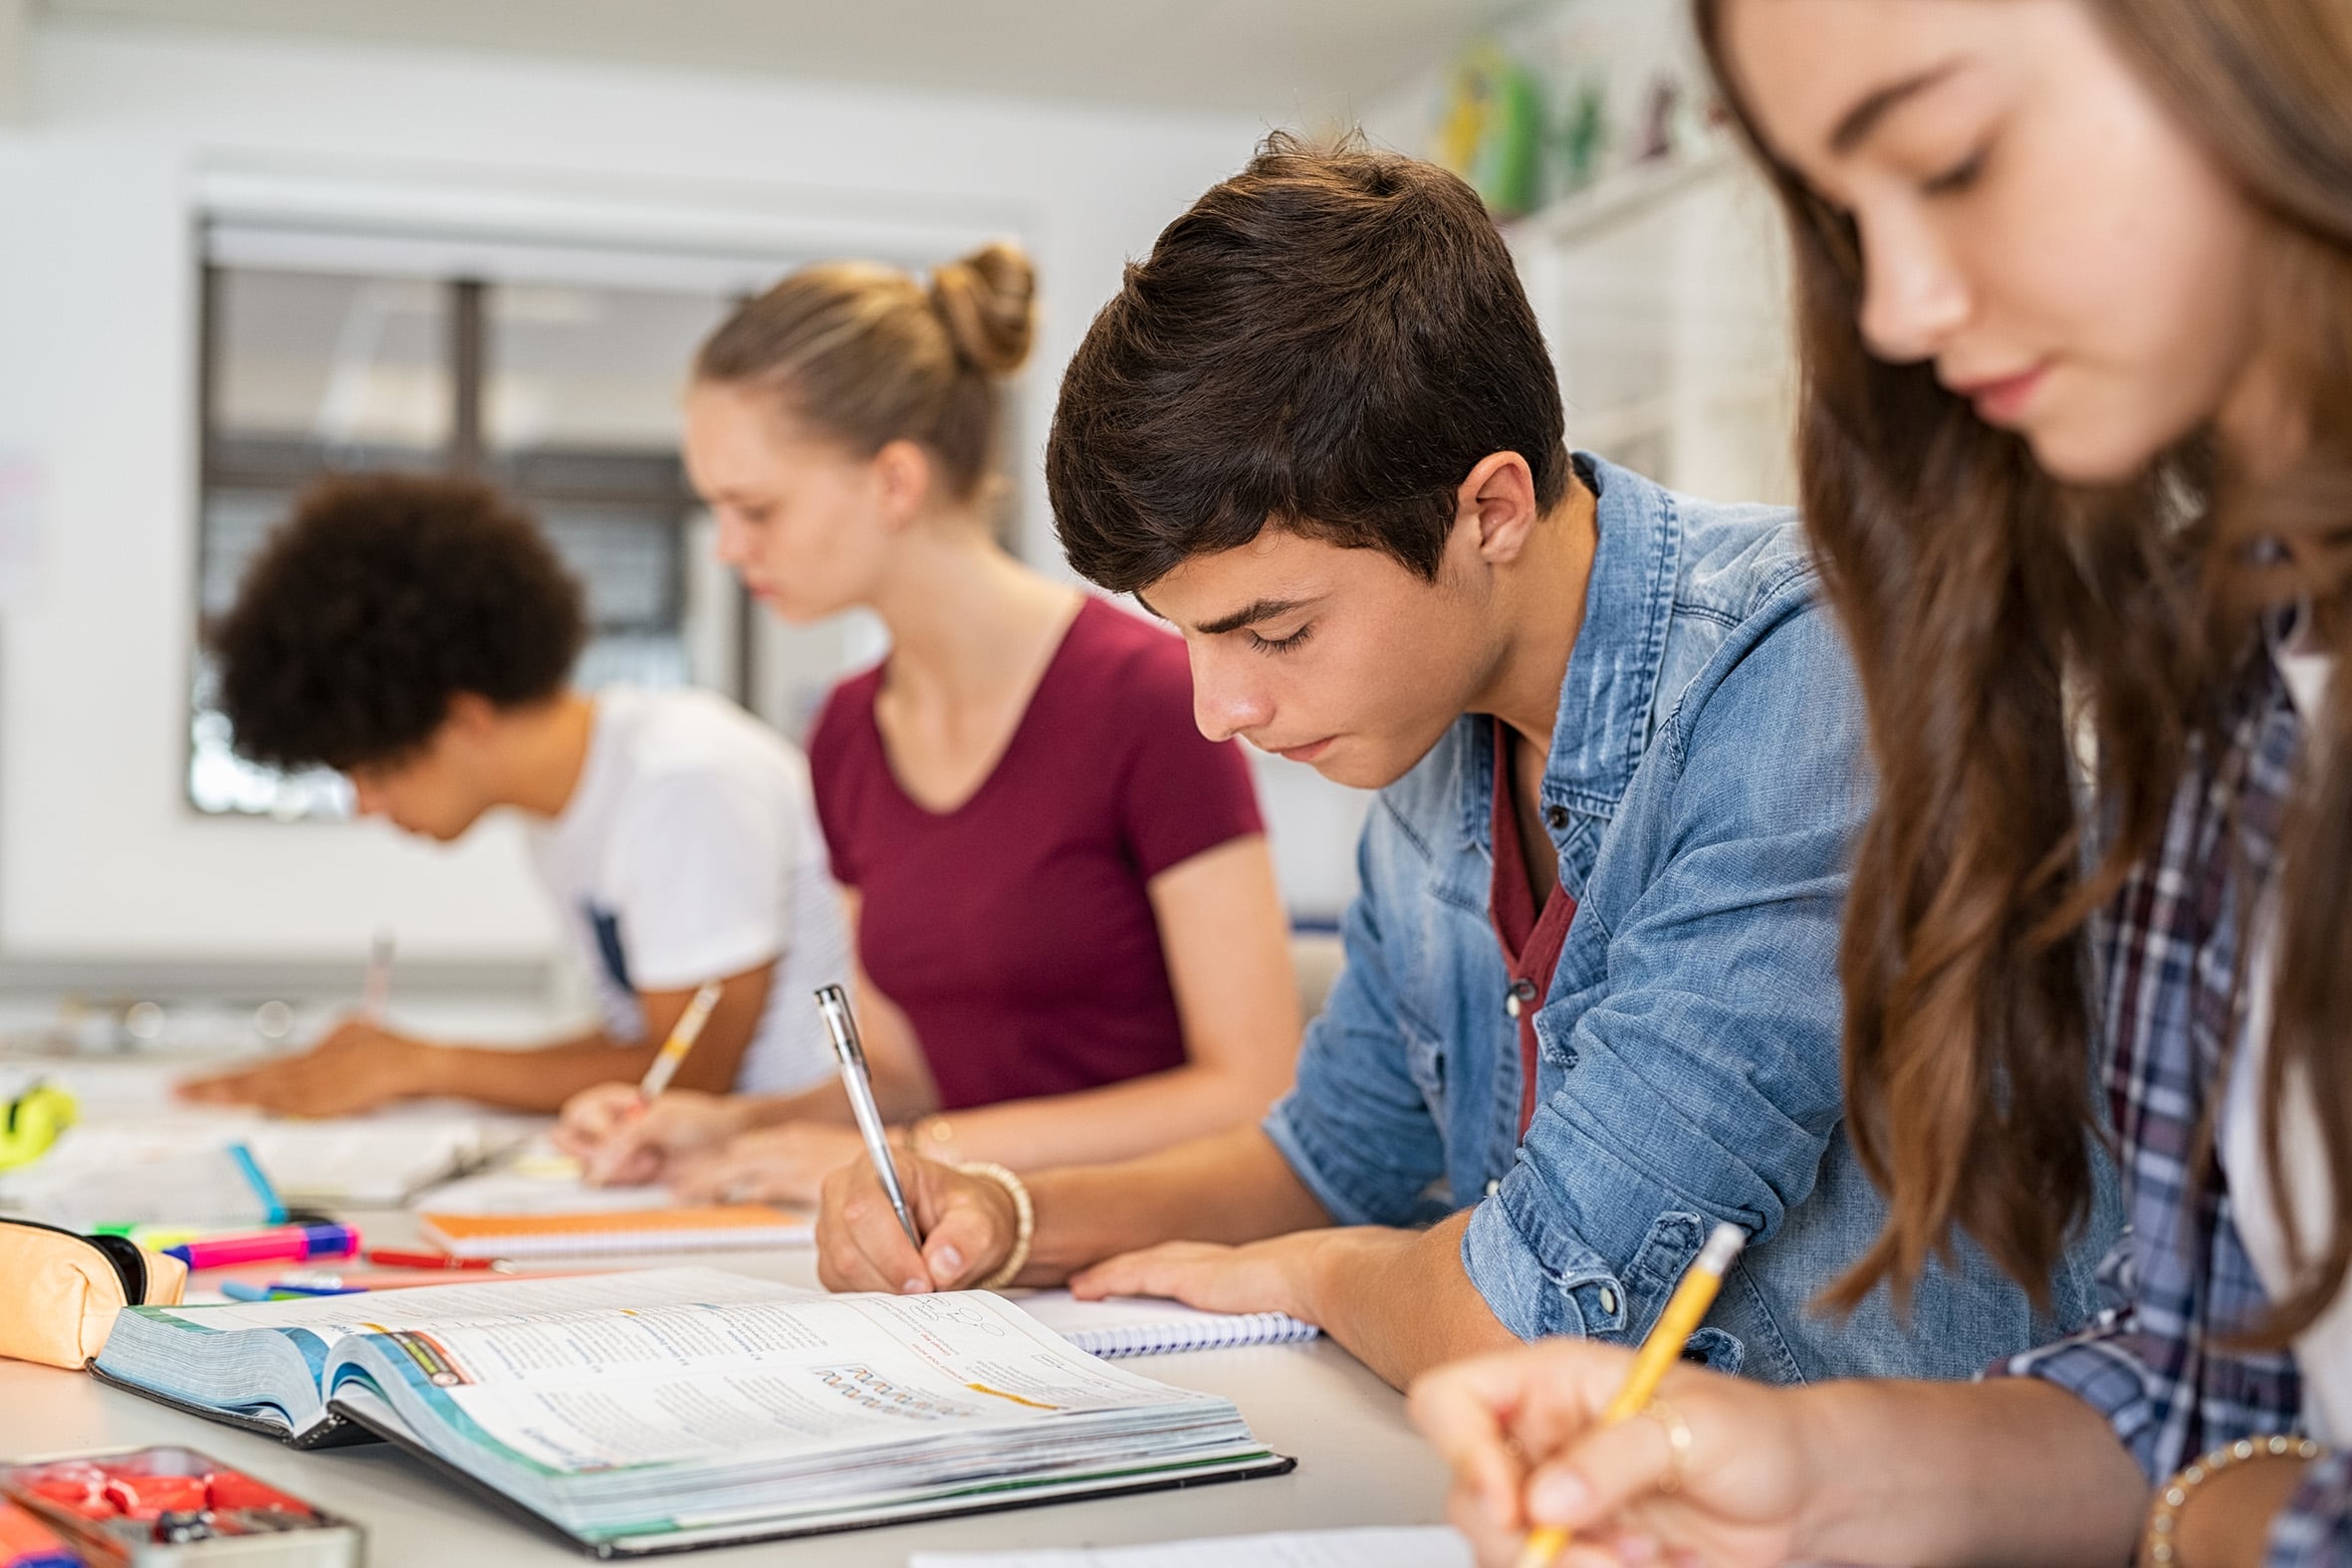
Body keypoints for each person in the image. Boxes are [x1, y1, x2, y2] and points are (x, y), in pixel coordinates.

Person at [813, 137, 2108, 1392]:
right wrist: (1007, 1211)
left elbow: (1542, 1311)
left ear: (1486, 509)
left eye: (1272, 628)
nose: (1219, 707)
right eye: (1190, 634)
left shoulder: (1805, 673)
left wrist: (1325, 1277)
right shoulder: (1437, 729)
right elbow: (1333, 1158)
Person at [1410, 2, 2352, 1564]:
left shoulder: (1777, 667)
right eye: (1846, 214)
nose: (1901, 304)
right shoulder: (2233, 686)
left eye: (1953, 157)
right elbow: (2195, 1387)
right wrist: (1816, 1465)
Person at [557, 243, 1300, 1203]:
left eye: (755, 508)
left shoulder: (1153, 696)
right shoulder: (847, 735)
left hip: (1154, 1250)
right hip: (966, 1255)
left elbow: (1251, 1088)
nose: (731, 548)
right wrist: (728, 1126)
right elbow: (905, 1077)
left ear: (894, 482)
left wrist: (920, 1153)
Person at [181, 473, 850, 1117]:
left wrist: (424, 1065)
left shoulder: (682, 778)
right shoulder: (564, 813)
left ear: (465, 718)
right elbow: (646, 1040)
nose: (365, 806)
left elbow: (689, 1074)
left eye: (376, 772)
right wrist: (405, 1061)